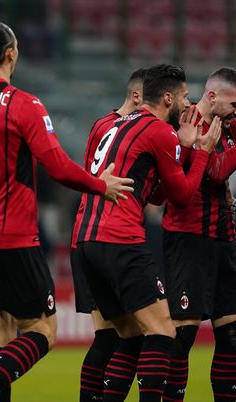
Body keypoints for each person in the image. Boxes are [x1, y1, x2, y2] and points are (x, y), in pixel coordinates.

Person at [0, 22, 134, 402]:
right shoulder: (24, 104)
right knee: (42, 330)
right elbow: (57, 166)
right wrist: (102, 185)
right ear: (11, 54)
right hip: (13, 239)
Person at [73, 63, 220, 402]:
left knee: (128, 334)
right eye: (184, 96)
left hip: (85, 238)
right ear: (167, 97)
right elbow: (182, 197)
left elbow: (154, 193)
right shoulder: (158, 131)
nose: (188, 103)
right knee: (163, 331)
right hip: (120, 238)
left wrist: (180, 150)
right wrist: (199, 153)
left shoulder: (116, 123)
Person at [157, 67, 236, 402]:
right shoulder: (185, 123)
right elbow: (215, 172)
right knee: (183, 336)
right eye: (235, 106)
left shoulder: (228, 128)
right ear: (212, 97)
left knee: (230, 334)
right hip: (187, 241)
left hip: (223, 241)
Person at [70, 67, 146, 401]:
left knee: (109, 336)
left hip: (86, 235)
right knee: (119, 335)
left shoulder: (102, 126)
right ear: (136, 96)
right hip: (105, 236)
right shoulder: (116, 128)